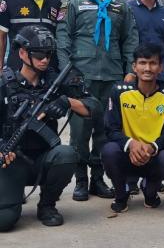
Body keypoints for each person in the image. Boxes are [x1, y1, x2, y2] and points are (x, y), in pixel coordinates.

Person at [0, 26, 100, 231]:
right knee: (4, 221)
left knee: (66, 154)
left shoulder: (56, 82)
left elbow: (94, 108)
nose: (45, 60)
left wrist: (67, 102)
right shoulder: (4, 84)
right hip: (11, 162)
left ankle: (47, 205)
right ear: (22, 53)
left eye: (48, 55)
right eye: (39, 55)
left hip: (44, 159)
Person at [56, 0, 139, 201]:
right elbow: (63, 40)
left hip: (113, 78)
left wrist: (130, 71)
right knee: (80, 133)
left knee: (104, 133)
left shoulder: (121, 6)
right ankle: (81, 180)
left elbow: (130, 40)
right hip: (81, 79)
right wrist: (67, 73)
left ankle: (97, 180)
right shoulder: (74, 3)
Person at [102, 43, 164, 212]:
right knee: (109, 150)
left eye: (153, 63)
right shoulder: (118, 92)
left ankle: (149, 190)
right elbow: (111, 129)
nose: (147, 68)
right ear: (134, 67)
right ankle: (121, 194)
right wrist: (131, 144)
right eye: (143, 63)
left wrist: (151, 147)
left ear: (160, 67)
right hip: (126, 154)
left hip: (153, 155)